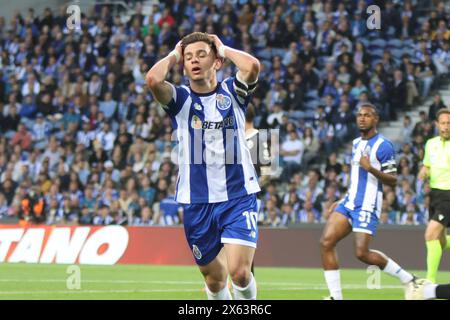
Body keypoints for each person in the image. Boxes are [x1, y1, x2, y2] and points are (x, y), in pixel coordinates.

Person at [145, 32, 260, 300]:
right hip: (197, 202)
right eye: (188, 57)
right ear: (183, 66)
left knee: (240, 273)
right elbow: (152, 79)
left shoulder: (233, 92)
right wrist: (174, 54)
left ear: (216, 62)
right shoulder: (180, 100)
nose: (194, 60)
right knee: (215, 280)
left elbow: (252, 66)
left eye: (201, 54)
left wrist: (223, 47)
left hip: (238, 196)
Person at [319, 103, 423, 300]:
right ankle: (336, 297)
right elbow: (357, 178)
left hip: (367, 205)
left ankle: (409, 279)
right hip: (350, 202)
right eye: (359, 115)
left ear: (376, 119)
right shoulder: (357, 143)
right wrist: (342, 198)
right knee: (326, 242)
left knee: (362, 253)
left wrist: (371, 168)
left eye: (367, 115)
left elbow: (393, 179)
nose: (362, 118)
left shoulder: (384, 145)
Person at [417, 108, 450, 283]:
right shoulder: (430, 143)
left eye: (449, 123)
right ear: (437, 125)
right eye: (443, 123)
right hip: (435, 195)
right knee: (440, 240)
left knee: (430, 234)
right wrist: (423, 172)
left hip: (449, 195)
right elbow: (427, 165)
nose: (446, 127)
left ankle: (429, 282)